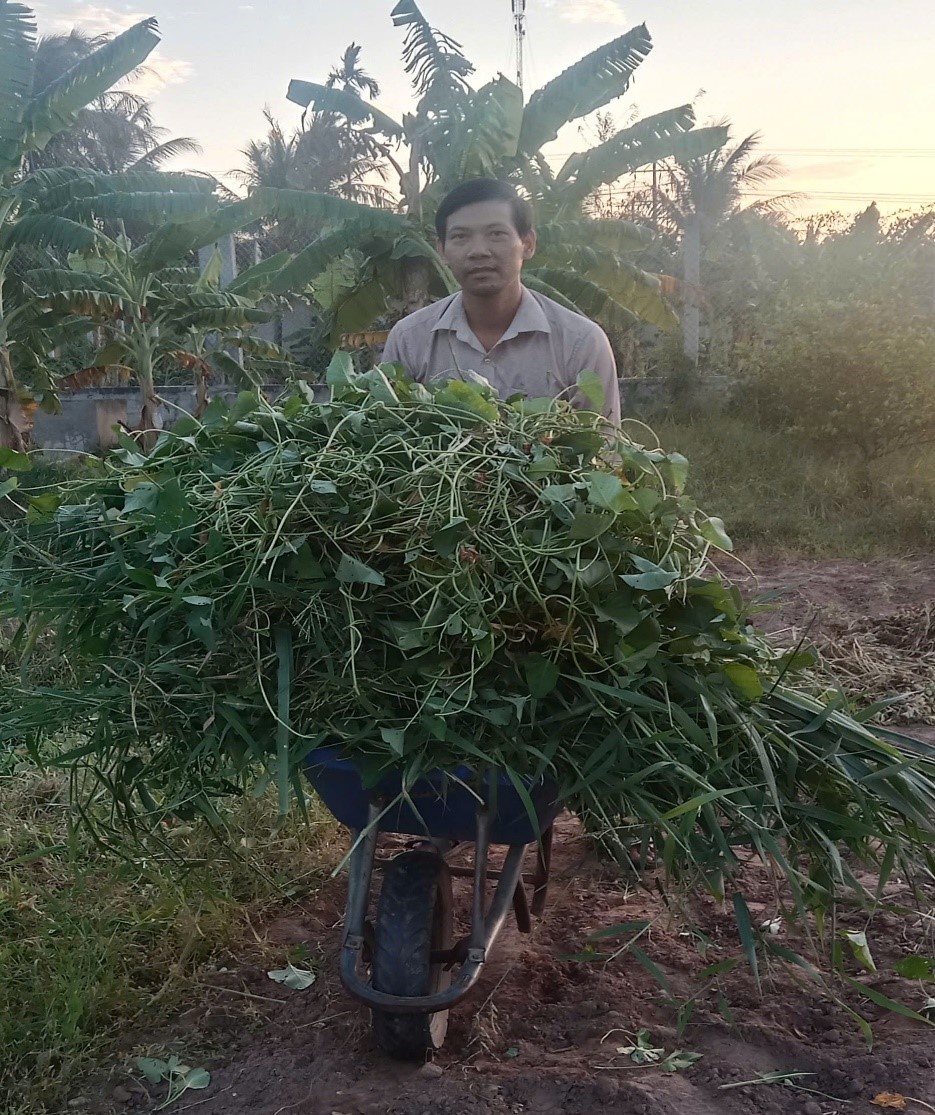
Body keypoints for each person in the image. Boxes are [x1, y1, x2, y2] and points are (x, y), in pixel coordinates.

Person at [381, 178, 621, 424]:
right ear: (442, 251)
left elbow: (603, 451)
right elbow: (388, 440)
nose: (478, 250)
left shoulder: (580, 342)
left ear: (527, 244)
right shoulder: (409, 339)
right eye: (460, 237)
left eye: (496, 234)